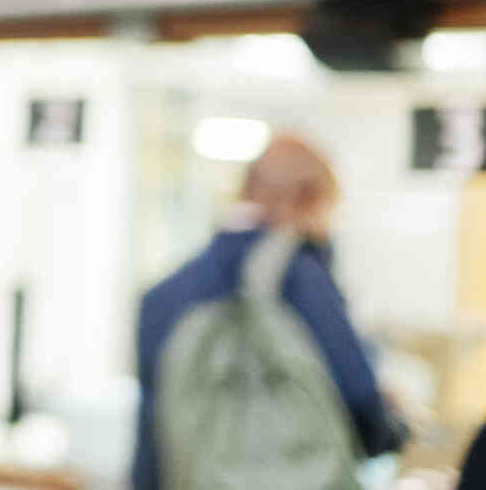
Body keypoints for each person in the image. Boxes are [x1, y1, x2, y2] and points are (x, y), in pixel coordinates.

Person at [131, 132, 407, 489]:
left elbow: (153, 437)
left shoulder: (162, 296)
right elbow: (359, 398)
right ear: (306, 199)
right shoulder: (301, 277)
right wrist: (391, 428)